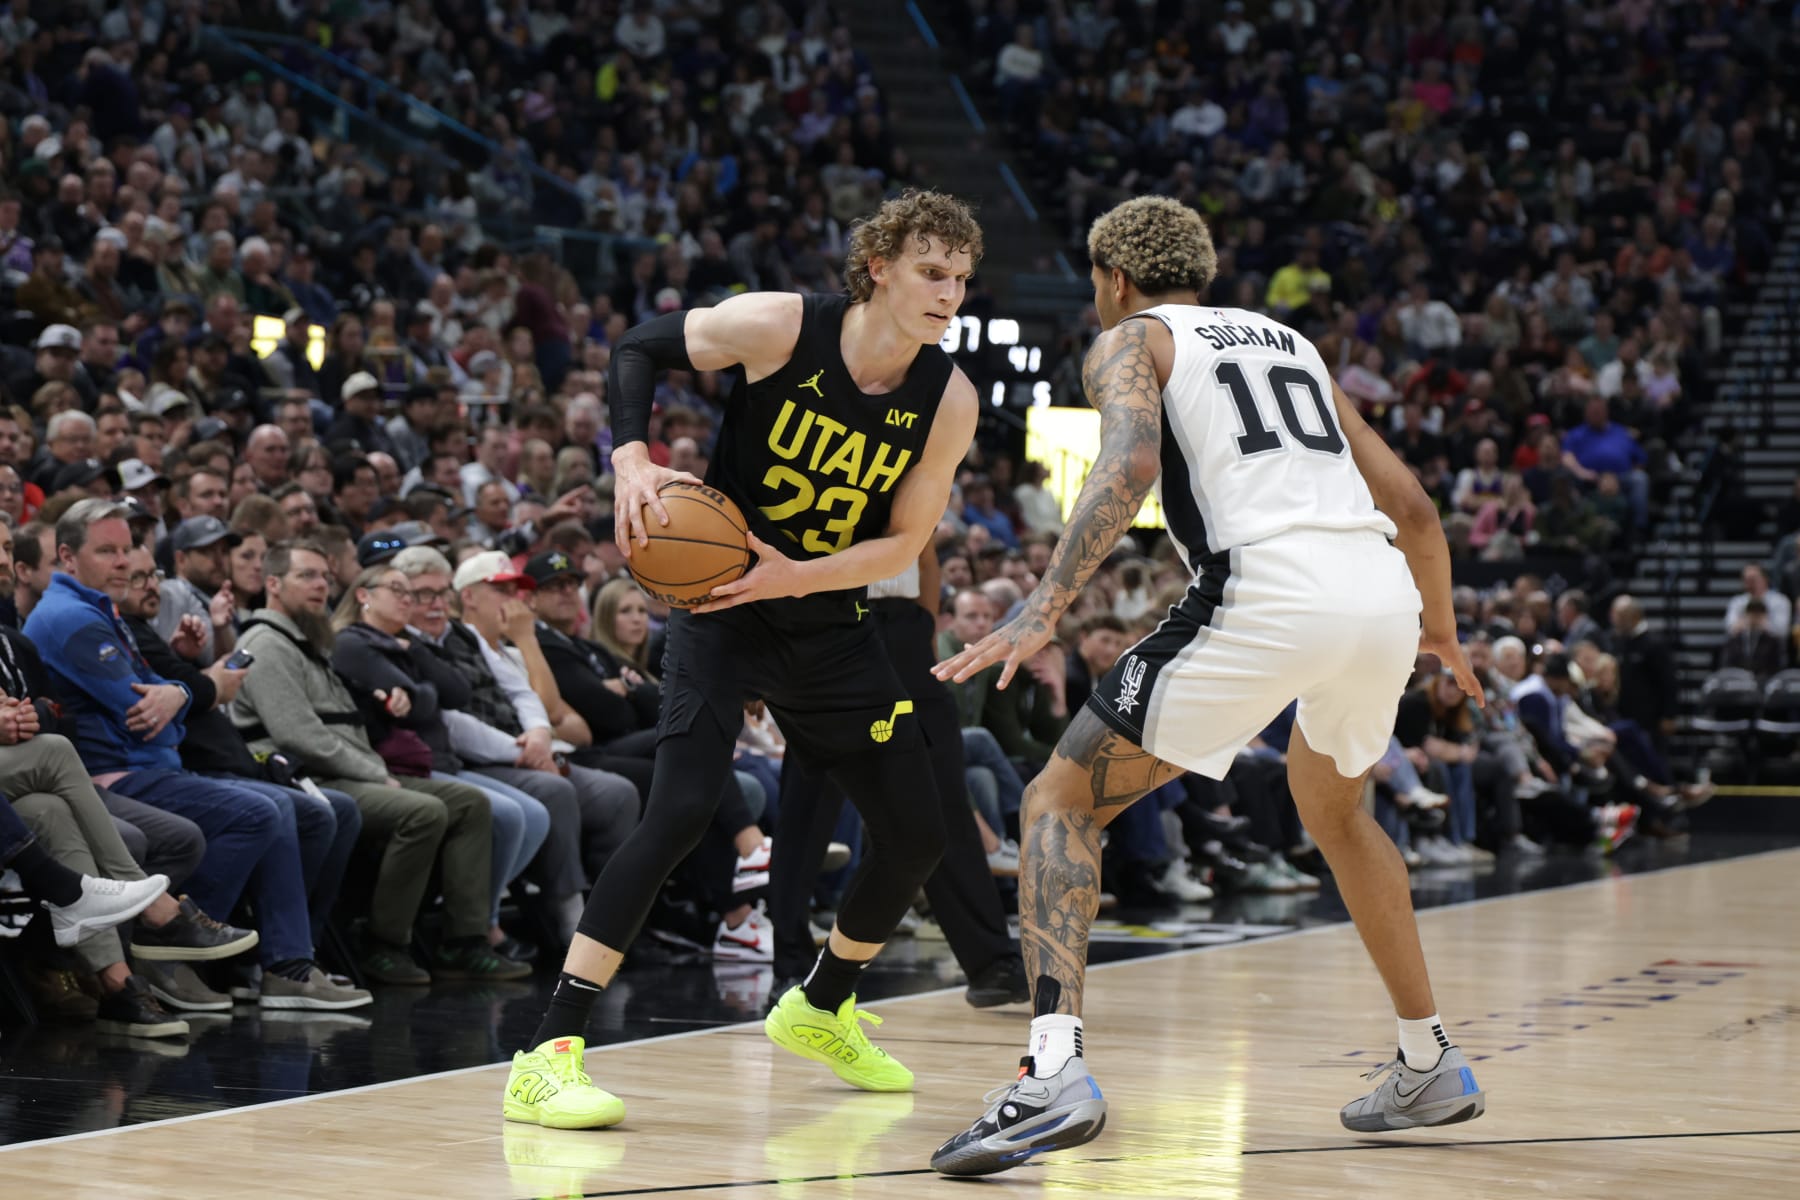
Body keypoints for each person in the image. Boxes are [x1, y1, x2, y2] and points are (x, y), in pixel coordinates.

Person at [931, 198, 1486, 1176]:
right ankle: (1428, 1056)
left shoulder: (1130, 338)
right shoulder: (1293, 344)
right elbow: (1413, 506)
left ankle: (1049, 1072)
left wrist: (1047, 606)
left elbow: (1131, 460)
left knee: (1058, 800)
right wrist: (1438, 630)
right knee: (1341, 814)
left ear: (1112, 278)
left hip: (1266, 590)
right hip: (1377, 597)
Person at [503, 189, 982, 1128]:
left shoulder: (948, 397)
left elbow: (900, 546)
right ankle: (547, 1052)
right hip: (720, 608)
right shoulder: (778, 327)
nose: (949, 294)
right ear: (879, 267)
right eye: (933, 272)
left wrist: (795, 575)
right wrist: (633, 462)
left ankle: (820, 1004)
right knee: (681, 806)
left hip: (826, 614)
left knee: (920, 832)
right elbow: (638, 342)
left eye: (962, 279)